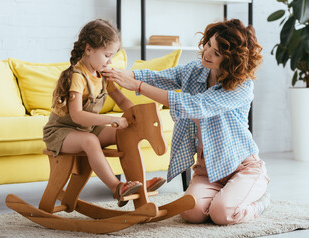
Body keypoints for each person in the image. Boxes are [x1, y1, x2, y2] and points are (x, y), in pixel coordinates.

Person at [103, 19, 270, 224]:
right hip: (207, 170)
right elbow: (161, 77)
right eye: (208, 44)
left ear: (231, 60)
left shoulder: (241, 87)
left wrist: (136, 86)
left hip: (242, 167)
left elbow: (193, 105)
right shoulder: (195, 70)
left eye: (216, 53)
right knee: (191, 213)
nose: (207, 53)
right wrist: (122, 75)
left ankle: (260, 201)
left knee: (222, 214)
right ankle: (227, 197)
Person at [43, 19, 165, 207]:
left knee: (126, 134)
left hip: (87, 129)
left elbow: (121, 99)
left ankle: (138, 182)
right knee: (90, 141)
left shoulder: (103, 74)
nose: (110, 61)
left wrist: (135, 116)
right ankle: (117, 187)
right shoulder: (77, 76)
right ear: (89, 49)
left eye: (112, 56)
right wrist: (111, 120)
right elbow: (77, 116)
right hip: (62, 132)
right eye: (107, 55)